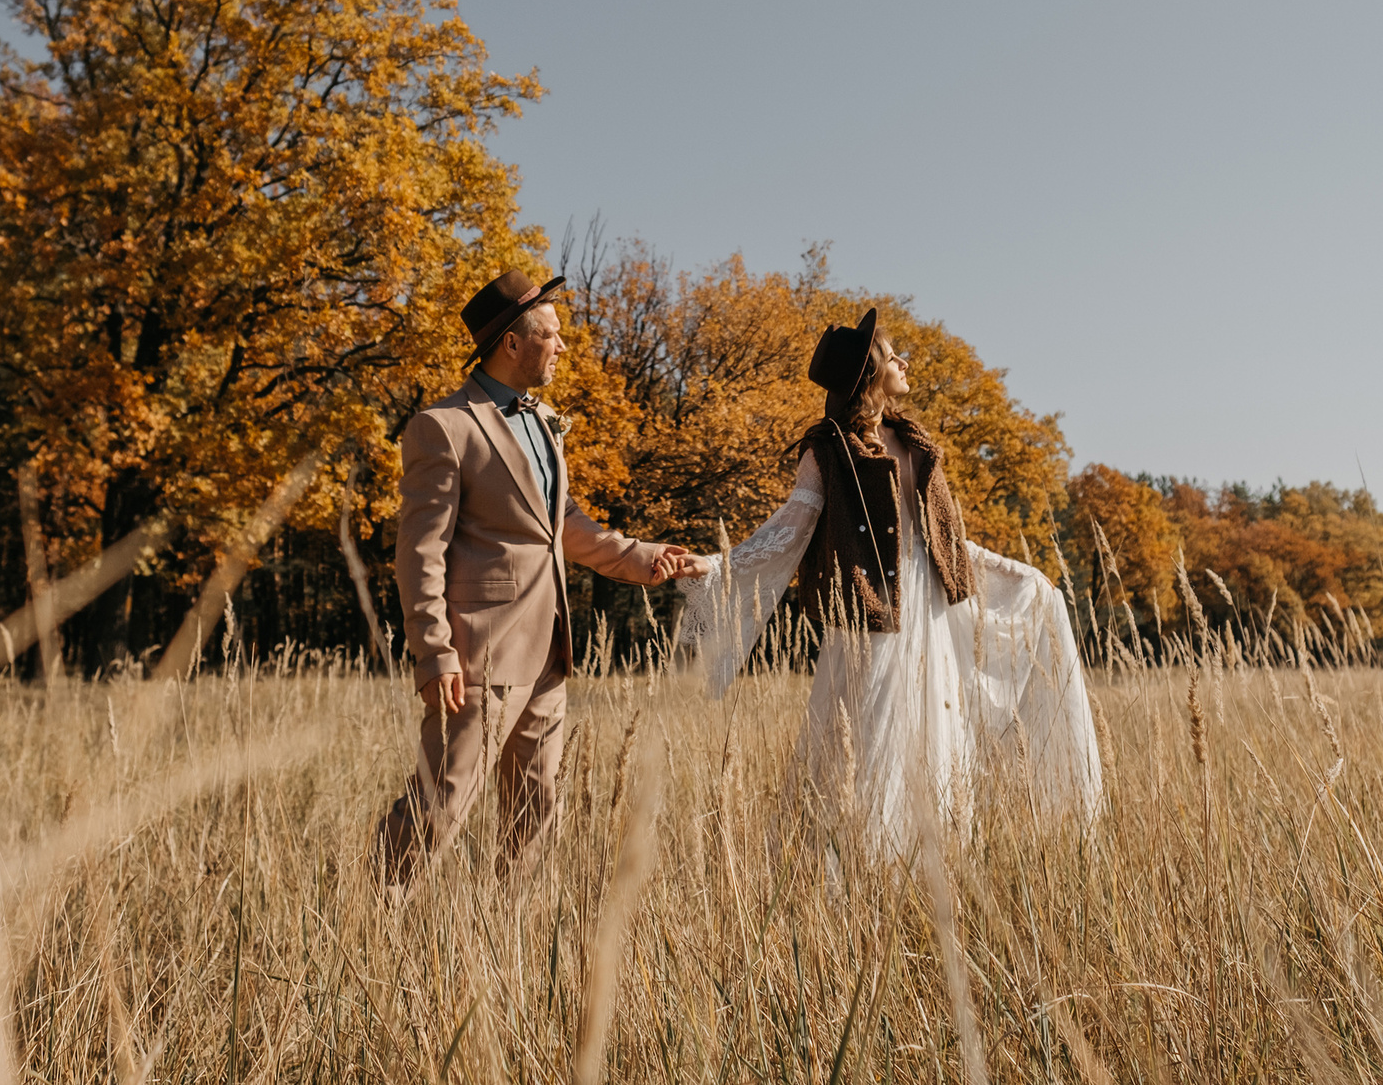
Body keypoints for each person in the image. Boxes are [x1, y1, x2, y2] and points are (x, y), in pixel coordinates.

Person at [675, 308, 1101, 853]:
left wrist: (1019, 573)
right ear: (870, 374)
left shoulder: (915, 442)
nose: (904, 362)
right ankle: (857, 865)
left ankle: (934, 862)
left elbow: (943, 540)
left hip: (931, 611)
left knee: (938, 734)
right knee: (869, 737)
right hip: (873, 616)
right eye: (894, 356)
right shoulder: (828, 452)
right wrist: (717, 566)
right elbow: (791, 527)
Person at [375, 268, 703, 892]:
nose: (562, 347)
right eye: (551, 335)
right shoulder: (442, 427)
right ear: (513, 344)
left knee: (537, 810)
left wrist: (641, 555)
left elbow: (562, 525)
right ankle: (376, 917)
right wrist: (435, 653)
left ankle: (511, 940)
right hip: (478, 655)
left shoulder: (546, 421)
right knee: (444, 800)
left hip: (551, 648)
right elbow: (421, 553)